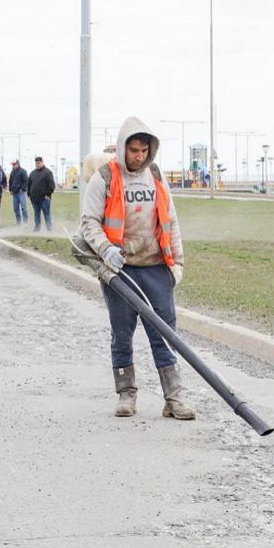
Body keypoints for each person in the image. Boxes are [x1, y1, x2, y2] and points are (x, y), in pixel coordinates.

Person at [80, 116, 194, 421]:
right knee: (122, 333)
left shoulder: (155, 176)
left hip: (156, 268)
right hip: (121, 271)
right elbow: (89, 222)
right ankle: (126, 394)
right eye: (133, 150)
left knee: (165, 335)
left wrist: (177, 265)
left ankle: (174, 399)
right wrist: (106, 249)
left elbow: (170, 221)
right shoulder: (103, 178)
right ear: (122, 148)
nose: (139, 156)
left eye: (144, 150)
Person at [27, 156, 55, 232]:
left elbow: (52, 185)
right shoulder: (32, 173)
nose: (37, 164)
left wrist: (47, 195)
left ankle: (49, 229)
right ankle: (37, 228)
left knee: (46, 214)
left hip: (44, 199)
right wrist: (29, 194)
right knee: (36, 214)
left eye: (39, 163)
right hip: (34, 199)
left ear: (42, 162)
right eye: (36, 163)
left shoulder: (48, 172)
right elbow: (29, 184)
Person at [8, 159, 29, 226]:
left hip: (21, 193)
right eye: (12, 164)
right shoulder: (12, 172)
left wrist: (22, 189)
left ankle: (25, 222)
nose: (13, 166)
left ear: (18, 164)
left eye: (14, 164)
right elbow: (10, 181)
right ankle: (18, 222)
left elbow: (26, 181)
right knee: (16, 208)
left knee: (23, 207)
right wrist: (10, 189)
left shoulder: (23, 171)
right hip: (14, 193)